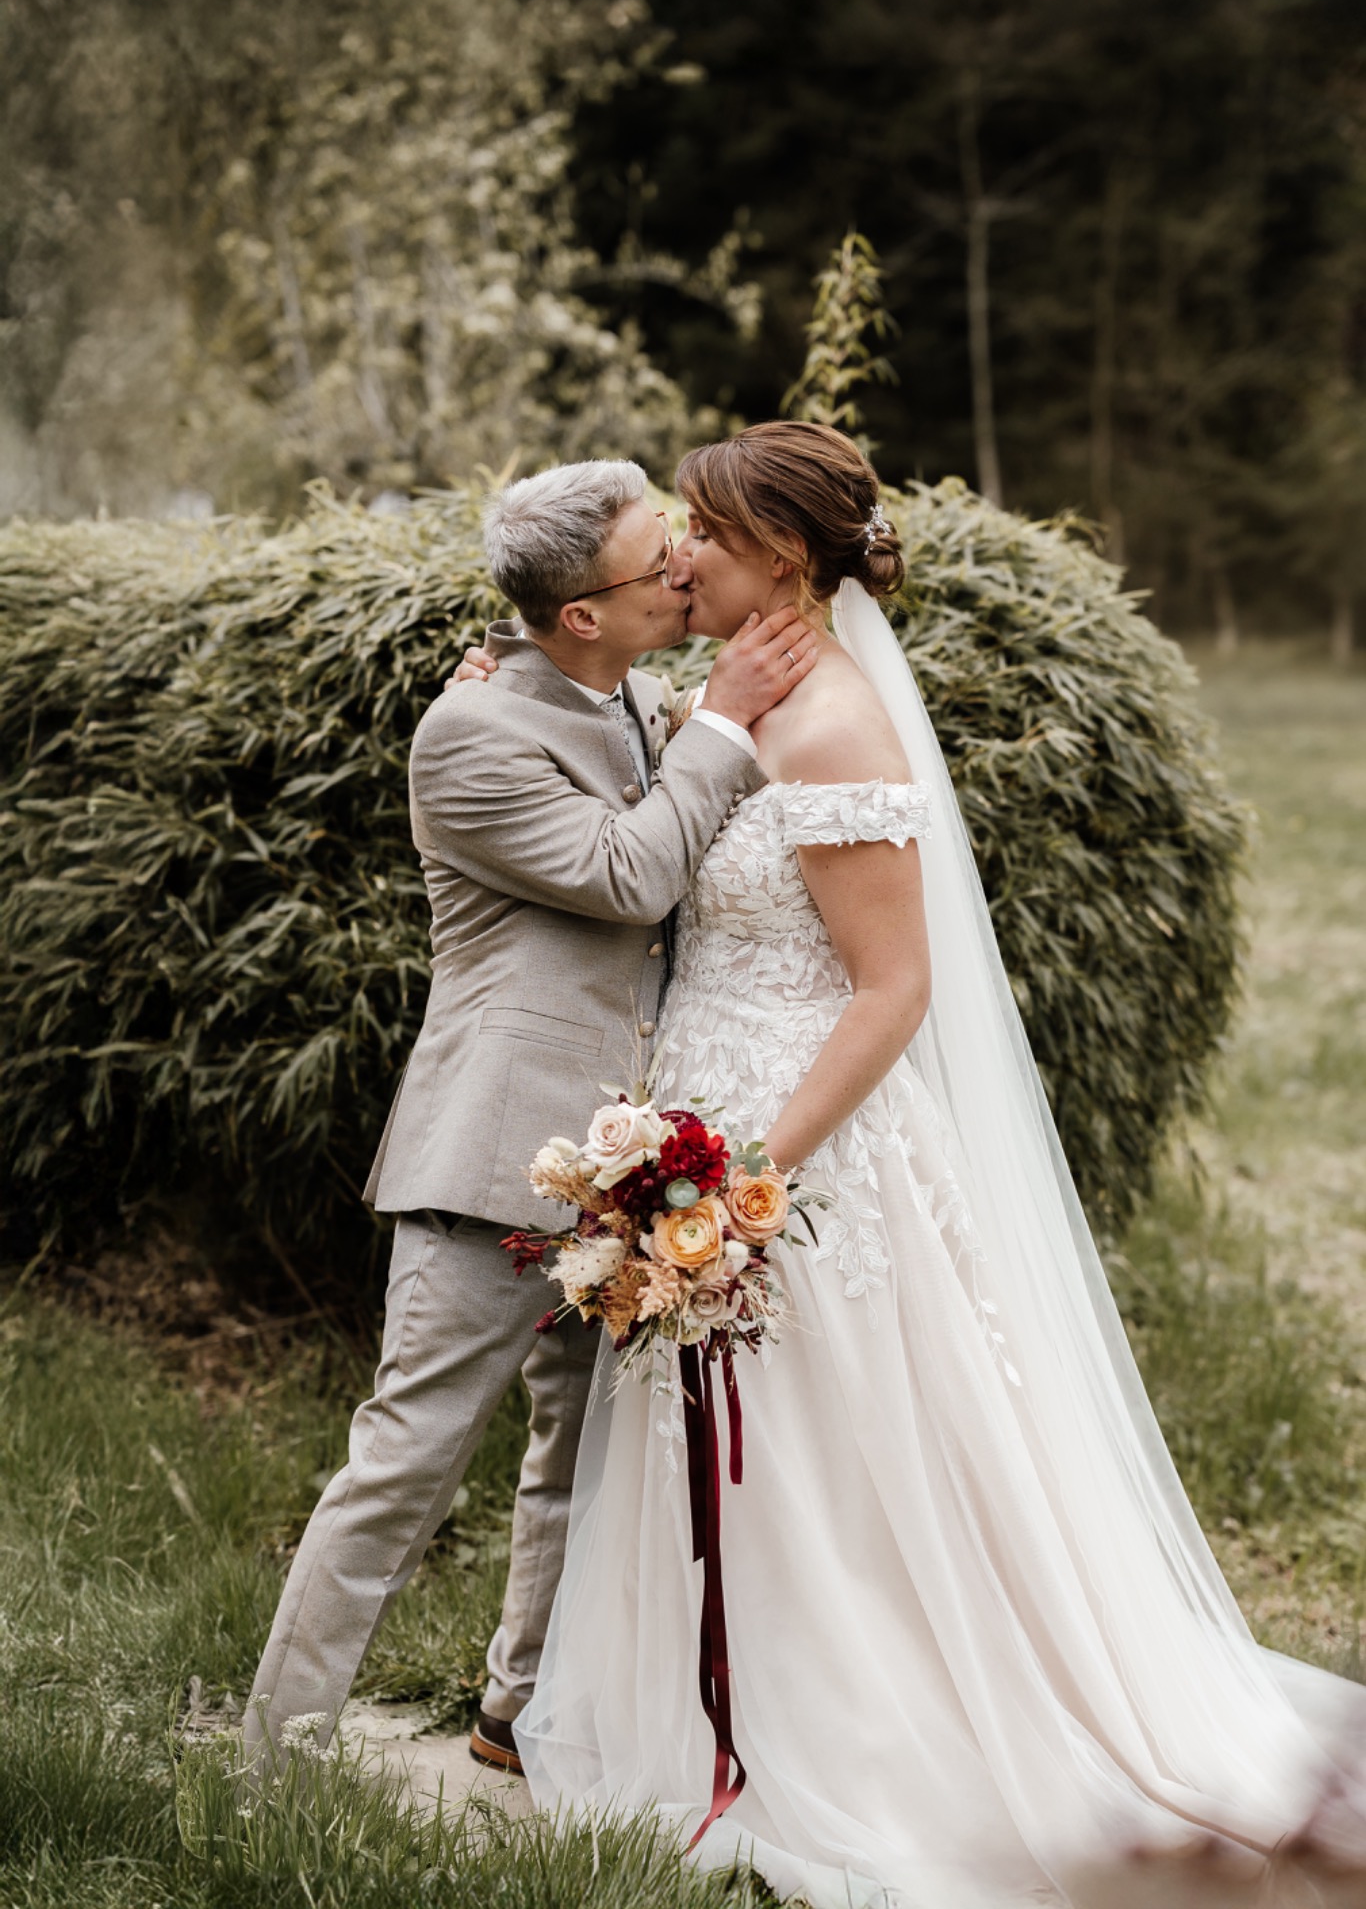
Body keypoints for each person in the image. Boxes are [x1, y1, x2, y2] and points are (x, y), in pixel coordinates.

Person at [461, 423, 1366, 1907]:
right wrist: (500, 671)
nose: (677, 551)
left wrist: (741, 1183)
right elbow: (639, 771)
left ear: (782, 560)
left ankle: (860, 1723)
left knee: (846, 1452)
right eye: (676, 528)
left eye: (702, 529)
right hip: (698, 1113)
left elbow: (891, 994)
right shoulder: (738, 688)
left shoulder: (833, 725)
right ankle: (697, 1711)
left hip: (796, 1153)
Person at [240, 458, 820, 1773]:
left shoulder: (612, 693)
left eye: (676, 540)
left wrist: (709, 719)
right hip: (496, 1154)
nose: (682, 566)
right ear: (577, 615)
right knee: (407, 1460)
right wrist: (723, 727)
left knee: (579, 1451)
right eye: (654, 558)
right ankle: (272, 1756)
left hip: (623, 1171)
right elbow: (627, 874)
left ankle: (516, 1711)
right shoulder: (472, 734)